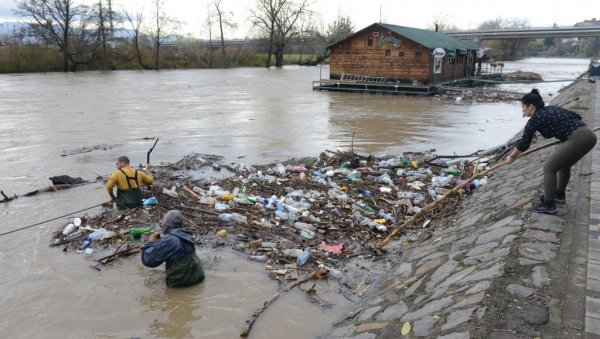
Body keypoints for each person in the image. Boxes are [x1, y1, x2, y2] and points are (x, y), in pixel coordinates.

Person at [506, 89, 597, 214]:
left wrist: (512, 156)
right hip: (589, 135)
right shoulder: (552, 109)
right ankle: (559, 195)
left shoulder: (534, 119)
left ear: (531, 106)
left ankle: (549, 204)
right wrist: (565, 135)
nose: (522, 110)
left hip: (578, 138)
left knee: (549, 168)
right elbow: (576, 116)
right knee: (564, 165)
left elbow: (524, 144)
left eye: (523, 107)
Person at [141, 210, 205, 288]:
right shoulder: (186, 234)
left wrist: (150, 243)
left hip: (180, 284)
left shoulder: (169, 240)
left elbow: (148, 261)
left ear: (167, 223)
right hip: (198, 278)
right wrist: (158, 244)